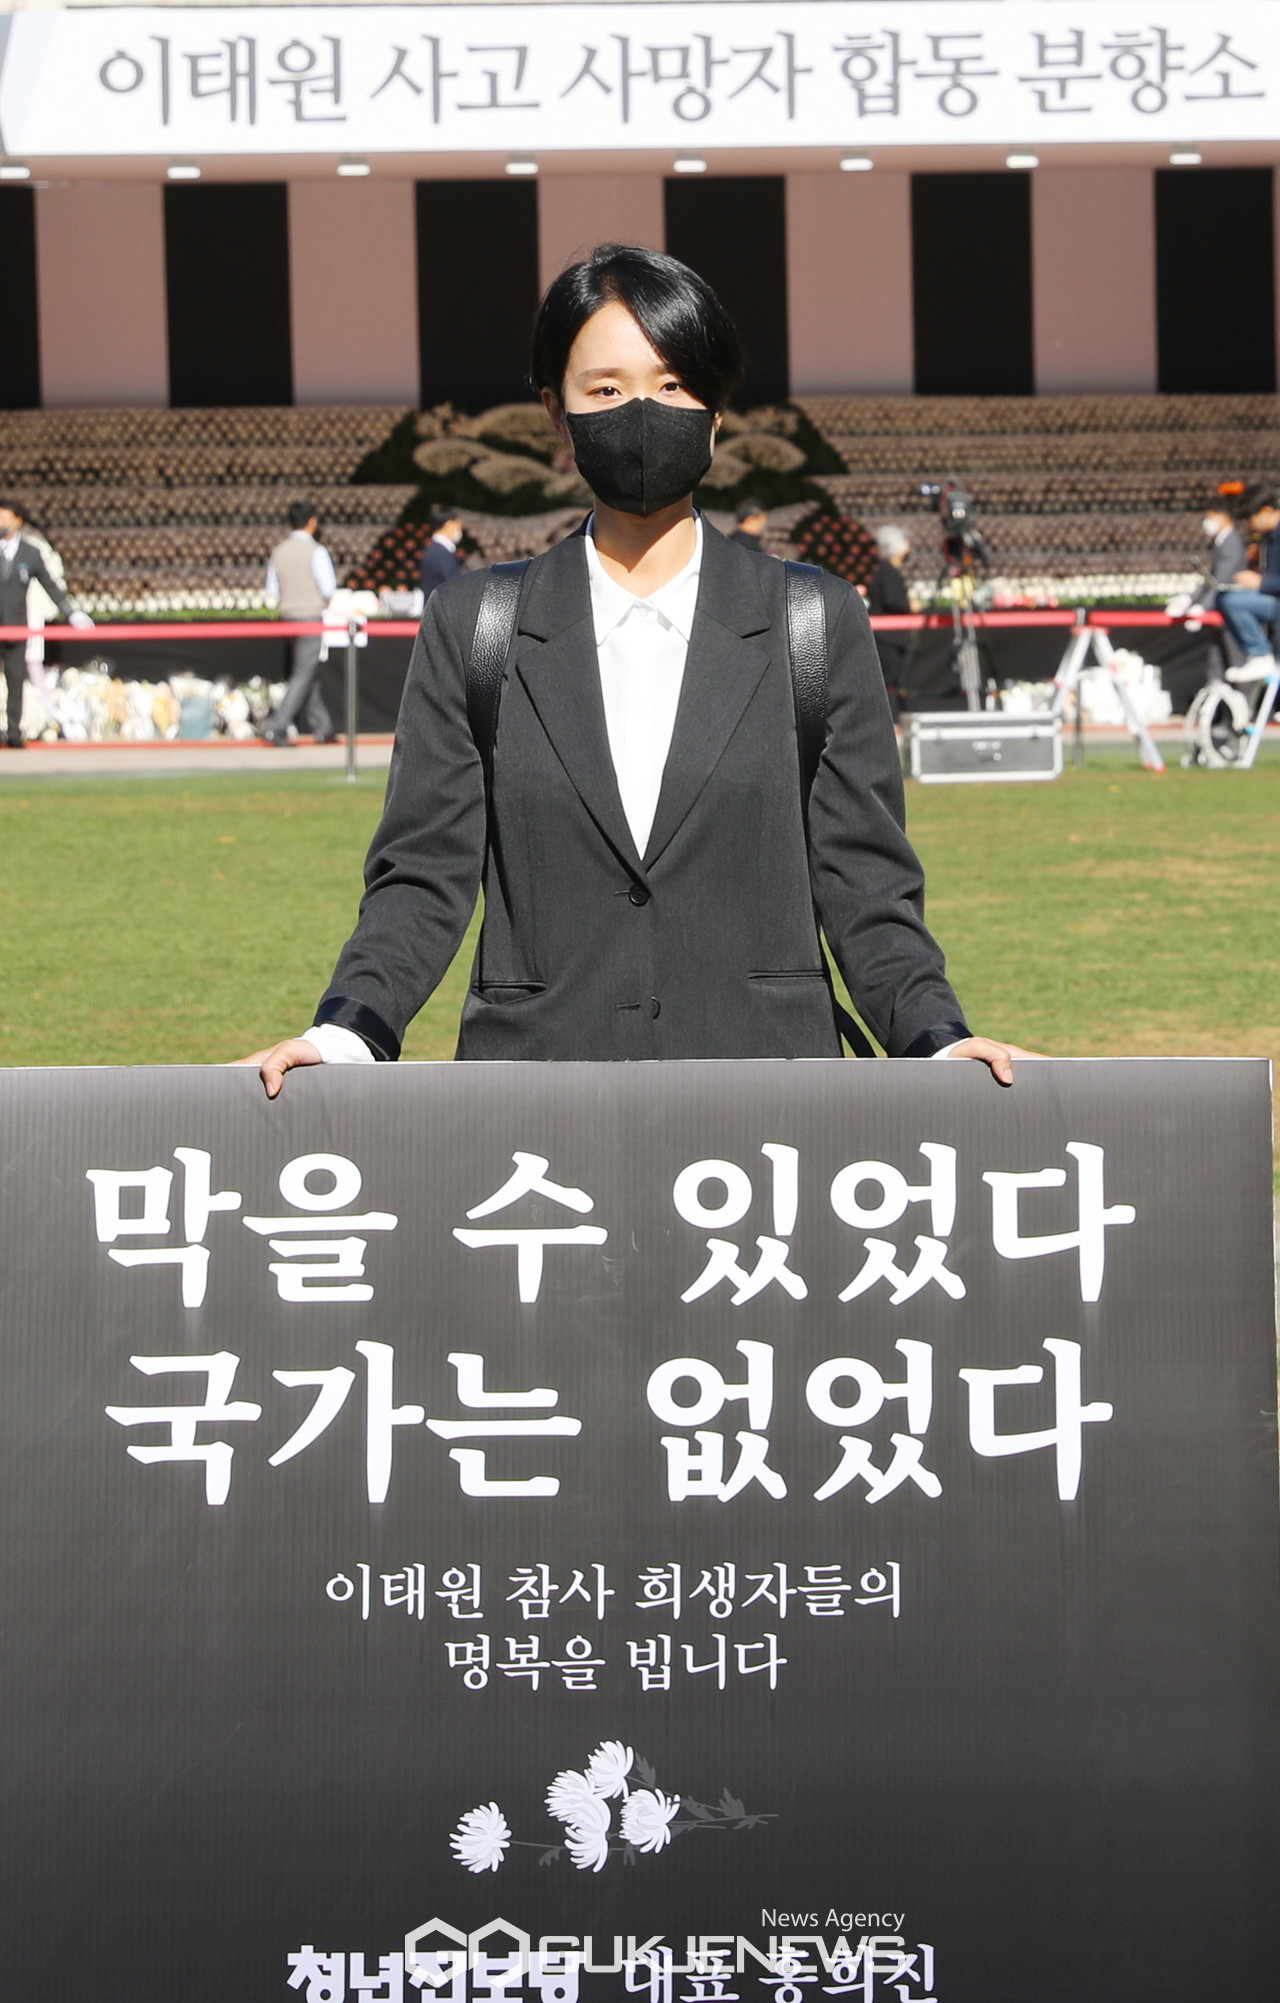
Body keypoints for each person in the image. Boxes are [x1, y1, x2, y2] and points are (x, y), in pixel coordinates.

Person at [244, 244, 1030, 1093]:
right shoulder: (474, 625)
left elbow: (867, 881)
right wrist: (346, 1033)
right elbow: (421, 874)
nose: (644, 412)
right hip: (536, 1102)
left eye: (673, 383)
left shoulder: (815, 620)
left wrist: (936, 1039)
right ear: (557, 414)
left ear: (716, 411)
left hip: (771, 1101)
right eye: (607, 390)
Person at [0, 498, 93, 748]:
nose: (1, 522)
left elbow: (50, 585)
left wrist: (71, 613)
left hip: (16, 627)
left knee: (15, 679)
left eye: (5, 517)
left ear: (18, 521)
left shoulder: (30, 553)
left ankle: (14, 732)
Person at [260, 501, 338, 747]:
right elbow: (328, 588)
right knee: (304, 673)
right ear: (312, 522)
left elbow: (272, 591)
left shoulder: (279, 551)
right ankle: (276, 727)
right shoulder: (316, 551)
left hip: (287, 617)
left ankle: (323, 727)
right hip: (310, 616)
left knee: (306, 671)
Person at [1165, 500, 1248, 682]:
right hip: (1221, 607)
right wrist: (1188, 599)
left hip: (1232, 610)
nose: (1206, 523)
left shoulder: (1231, 542)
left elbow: (1221, 581)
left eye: (1210, 517)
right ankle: (1216, 690)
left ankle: (1244, 699)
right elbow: (1211, 580)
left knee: (1237, 662)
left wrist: (1202, 607)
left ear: (1223, 516)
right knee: (1217, 657)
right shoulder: (1221, 542)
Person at [1217, 482, 1280, 684]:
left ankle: (1260, 654)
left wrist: (1261, 582)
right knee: (1228, 597)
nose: (1250, 525)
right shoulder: (1268, 537)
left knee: (1232, 601)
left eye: (1251, 518)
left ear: (1267, 510)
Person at [867, 524, 913, 715]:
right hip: (888, 638)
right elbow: (892, 600)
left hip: (890, 636)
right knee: (888, 680)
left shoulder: (885, 571)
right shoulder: (887, 572)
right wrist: (911, 605)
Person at [419, 506, 466, 601]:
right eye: (458, 525)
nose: (460, 529)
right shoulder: (440, 553)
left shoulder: (435, 550)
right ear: (449, 525)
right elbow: (454, 588)